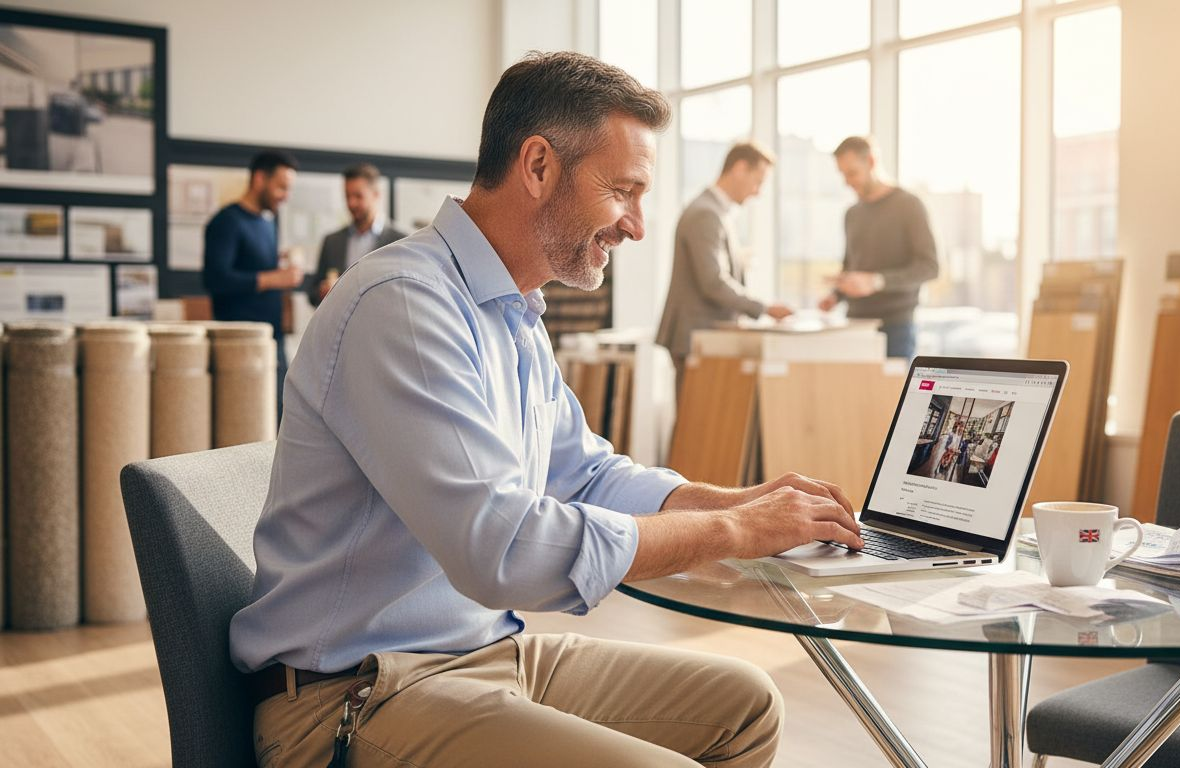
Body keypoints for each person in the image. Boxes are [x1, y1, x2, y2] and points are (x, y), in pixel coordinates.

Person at [229, 52, 863, 768]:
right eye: (624, 191)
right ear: (537, 166)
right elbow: (502, 548)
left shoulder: (511, 313)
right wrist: (728, 530)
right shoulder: (402, 305)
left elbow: (584, 473)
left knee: (745, 707)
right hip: (356, 694)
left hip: (481, 654)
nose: (638, 226)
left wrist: (737, 501)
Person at [656, 141, 792, 396]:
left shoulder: (715, 211)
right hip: (696, 337)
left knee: (702, 424)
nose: (758, 192)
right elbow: (712, 282)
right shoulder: (706, 214)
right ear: (740, 168)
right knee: (696, 425)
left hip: (701, 337)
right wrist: (764, 308)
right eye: (758, 181)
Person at [202, 149, 304, 417]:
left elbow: (253, 267)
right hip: (239, 345)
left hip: (272, 339)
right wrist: (276, 278)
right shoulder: (226, 222)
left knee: (283, 417)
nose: (286, 196)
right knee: (244, 422)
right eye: (282, 187)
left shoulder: (267, 223)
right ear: (260, 179)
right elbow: (215, 279)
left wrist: (281, 263)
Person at [819, 136, 939, 360]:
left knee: (892, 395)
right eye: (842, 174)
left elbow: (929, 267)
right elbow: (852, 265)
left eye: (852, 173)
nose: (847, 181)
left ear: (871, 162)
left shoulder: (909, 205)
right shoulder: (852, 214)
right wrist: (836, 295)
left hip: (895, 326)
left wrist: (876, 281)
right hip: (855, 324)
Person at [308, 162, 408, 306]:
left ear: (376, 195)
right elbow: (312, 295)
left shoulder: (401, 240)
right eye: (347, 196)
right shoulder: (332, 241)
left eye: (358, 196)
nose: (351, 203)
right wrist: (322, 291)